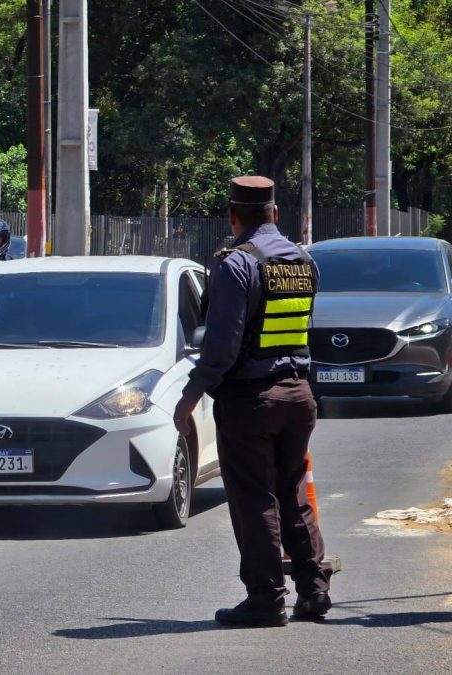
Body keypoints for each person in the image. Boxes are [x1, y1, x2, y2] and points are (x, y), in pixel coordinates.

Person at [173, 176, 329, 628]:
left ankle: (265, 598)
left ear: (232, 216)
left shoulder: (236, 264)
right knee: (293, 491)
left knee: (254, 498)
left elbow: (221, 347)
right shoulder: (304, 261)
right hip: (298, 394)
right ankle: (314, 590)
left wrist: (190, 396)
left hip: (251, 400)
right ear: (275, 214)